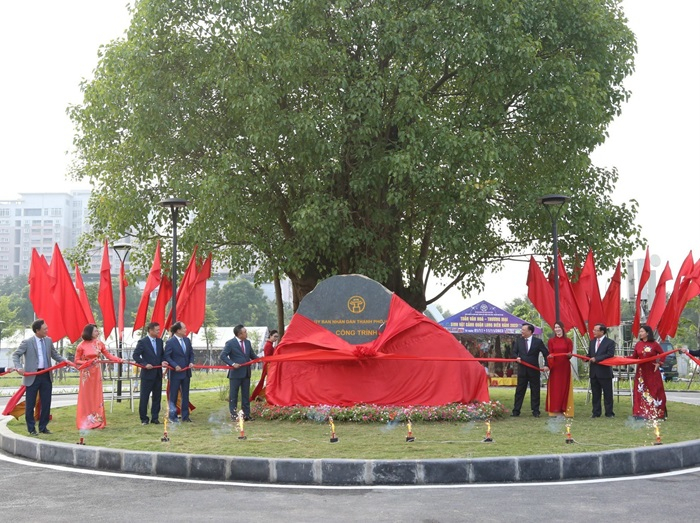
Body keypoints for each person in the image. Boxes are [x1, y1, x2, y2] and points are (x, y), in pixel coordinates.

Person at [12, 319, 72, 435]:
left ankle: (43, 427)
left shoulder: (48, 341)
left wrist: (65, 361)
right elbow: (16, 355)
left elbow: (55, 355)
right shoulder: (27, 342)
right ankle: (31, 429)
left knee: (46, 402)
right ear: (37, 330)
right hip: (32, 376)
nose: (47, 331)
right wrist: (19, 367)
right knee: (30, 404)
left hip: (46, 375)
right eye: (45, 329)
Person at [74, 324, 122, 430]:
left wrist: (118, 359)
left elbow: (108, 355)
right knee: (86, 397)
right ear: (89, 332)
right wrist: (88, 362)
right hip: (86, 374)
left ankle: (97, 420)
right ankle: (86, 421)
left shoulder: (99, 343)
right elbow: (76, 361)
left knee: (96, 395)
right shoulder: (81, 346)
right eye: (95, 331)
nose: (98, 332)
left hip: (96, 373)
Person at [221, 324, 258, 421]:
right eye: (245, 332)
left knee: (246, 395)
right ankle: (234, 415)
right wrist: (232, 363)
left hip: (246, 373)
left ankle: (246, 415)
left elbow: (252, 355)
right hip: (235, 374)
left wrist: (262, 359)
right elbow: (223, 356)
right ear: (239, 334)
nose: (246, 333)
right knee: (234, 395)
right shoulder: (230, 343)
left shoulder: (248, 343)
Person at [511, 323, 549, 417]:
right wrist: (517, 358)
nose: (522, 331)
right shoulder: (518, 341)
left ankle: (535, 411)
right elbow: (513, 353)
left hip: (534, 370)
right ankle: (516, 411)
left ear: (530, 331)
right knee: (519, 391)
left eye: (524, 330)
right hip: (522, 370)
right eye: (522, 329)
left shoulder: (538, 341)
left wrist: (546, 365)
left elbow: (546, 353)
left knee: (535, 391)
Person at [132, 322, 167, 425]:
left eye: (159, 330)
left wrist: (163, 361)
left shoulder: (160, 342)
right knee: (144, 397)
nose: (159, 331)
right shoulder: (142, 342)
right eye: (157, 330)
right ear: (150, 330)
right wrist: (145, 364)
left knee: (157, 397)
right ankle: (144, 418)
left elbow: (161, 355)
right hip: (147, 374)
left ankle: (155, 418)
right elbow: (136, 356)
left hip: (158, 374)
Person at [631, 325, 667, 420]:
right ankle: (640, 413)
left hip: (652, 371)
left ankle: (656, 412)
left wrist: (659, 363)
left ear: (647, 333)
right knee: (641, 391)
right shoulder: (638, 344)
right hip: (641, 372)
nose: (640, 333)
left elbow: (663, 355)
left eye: (642, 331)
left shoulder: (654, 344)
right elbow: (634, 357)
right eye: (640, 332)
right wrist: (621, 359)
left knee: (654, 390)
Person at [164, 322, 195, 422]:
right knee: (173, 395)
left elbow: (191, 353)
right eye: (184, 328)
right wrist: (175, 365)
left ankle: (185, 416)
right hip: (175, 373)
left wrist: (191, 362)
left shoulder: (187, 340)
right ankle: (172, 417)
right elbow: (167, 356)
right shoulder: (170, 342)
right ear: (178, 330)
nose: (186, 330)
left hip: (186, 372)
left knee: (185, 395)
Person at [545, 321, 574, 417]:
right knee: (555, 388)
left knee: (564, 387)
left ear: (562, 328)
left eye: (558, 327)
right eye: (555, 327)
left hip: (565, 367)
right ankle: (554, 409)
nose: (557, 329)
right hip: (555, 367)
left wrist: (569, 355)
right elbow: (550, 353)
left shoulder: (568, 341)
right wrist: (549, 358)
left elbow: (570, 354)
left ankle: (564, 408)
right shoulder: (551, 341)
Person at [588, 323, 616, 418]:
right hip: (594, 372)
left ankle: (609, 413)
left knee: (607, 394)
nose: (593, 332)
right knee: (595, 394)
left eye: (595, 330)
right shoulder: (592, 342)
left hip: (604, 372)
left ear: (602, 331)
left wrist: (597, 359)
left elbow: (609, 354)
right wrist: (585, 358)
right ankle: (596, 413)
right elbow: (590, 354)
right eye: (593, 330)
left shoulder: (610, 342)